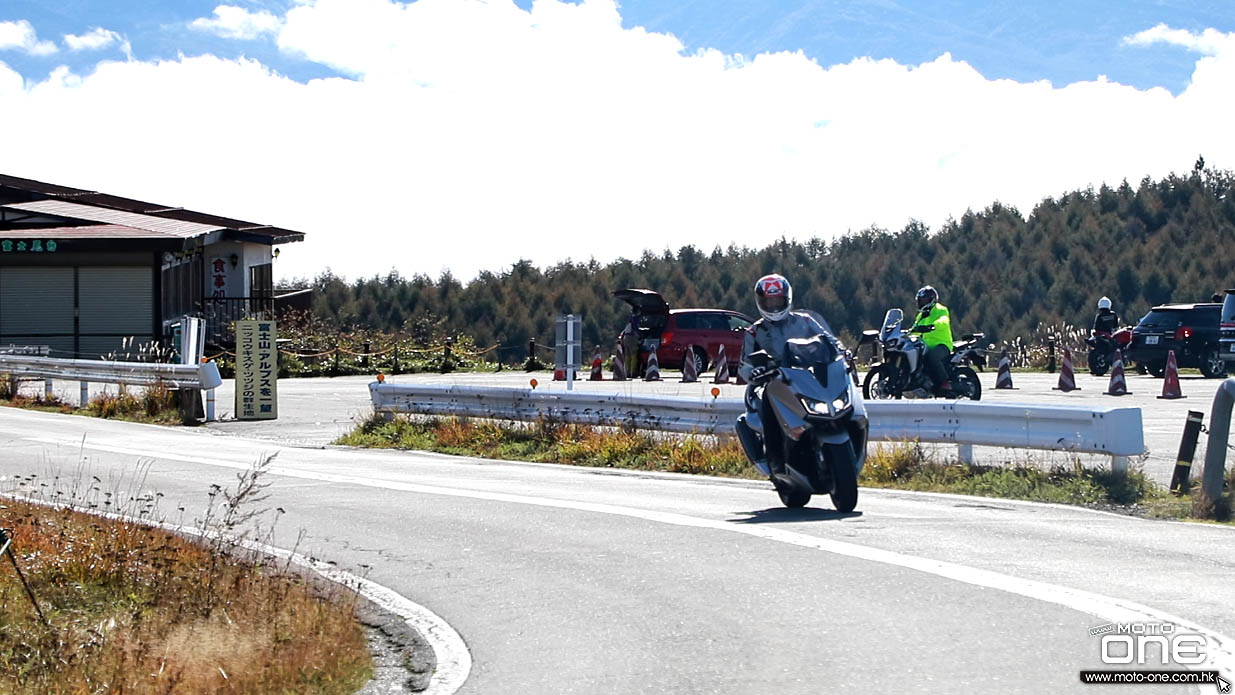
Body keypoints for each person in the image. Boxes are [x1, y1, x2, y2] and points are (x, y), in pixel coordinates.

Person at [736, 273, 836, 472]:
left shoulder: (805, 322)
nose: (773, 306)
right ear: (761, 302)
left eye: (777, 300)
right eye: (769, 301)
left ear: (787, 299)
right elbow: (744, 364)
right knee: (767, 409)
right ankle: (776, 463)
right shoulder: (755, 332)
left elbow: (829, 340)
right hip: (775, 383)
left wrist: (841, 351)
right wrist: (755, 372)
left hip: (808, 377)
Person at [912, 285, 954, 396]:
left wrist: (934, 325)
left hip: (942, 344)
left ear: (932, 300)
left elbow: (943, 320)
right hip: (925, 345)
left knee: (932, 356)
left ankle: (945, 382)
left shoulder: (940, 309)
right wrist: (907, 333)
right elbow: (915, 327)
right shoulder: (921, 315)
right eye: (920, 300)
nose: (921, 303)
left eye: (924, 300)